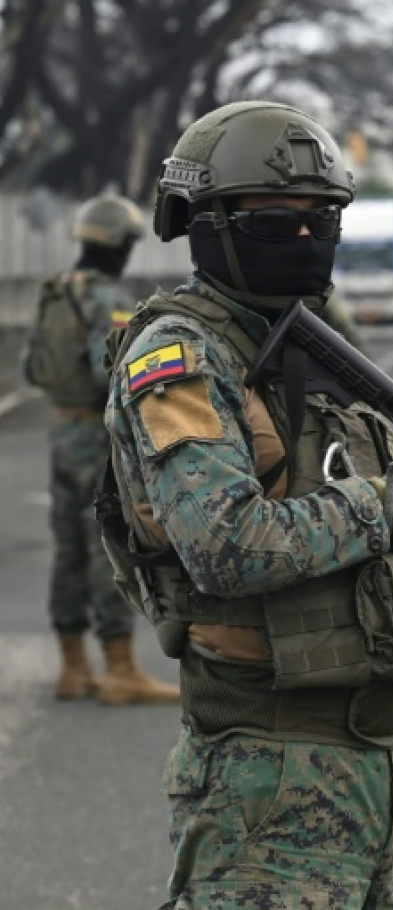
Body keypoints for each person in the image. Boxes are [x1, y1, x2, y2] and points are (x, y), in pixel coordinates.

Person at [100, 100, 393, 907]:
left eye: (325, 220)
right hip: (261, 775)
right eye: (278, 222)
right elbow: (226, 545)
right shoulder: (180, 356)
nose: (308, 240)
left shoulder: (305, 345)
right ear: (206, 225)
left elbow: (355, 545)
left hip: (361, 763)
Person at [22, 193, 180, 705]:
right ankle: (119, 669)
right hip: (96, 437)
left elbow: (31, 369)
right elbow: (106, 369)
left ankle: (73, 667)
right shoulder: (107, 297)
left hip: (60, 431)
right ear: (119, 244)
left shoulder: (55, 291)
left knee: (66, 547)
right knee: (106, 545)